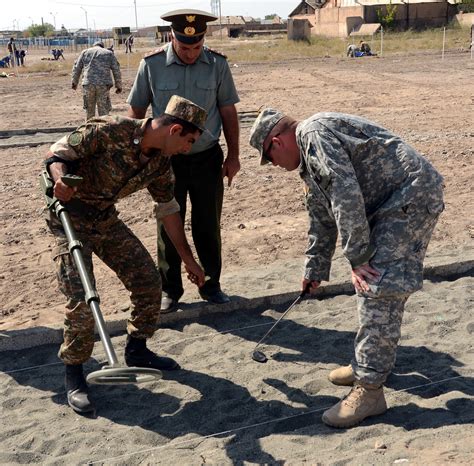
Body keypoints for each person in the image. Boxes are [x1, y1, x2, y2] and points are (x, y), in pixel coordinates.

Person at [249, 108, 444, 428]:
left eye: (269, 158)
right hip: (391, 202)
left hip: (408, 195)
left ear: (277, 141)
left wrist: (358, 256)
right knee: (377, 283)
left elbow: (344, 192)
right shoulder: (310, 154)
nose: (274, 166)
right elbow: (322, 216)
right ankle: (368, 363)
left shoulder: (313, 135)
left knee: (376, 284)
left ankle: (369, 390)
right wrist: (315, 268)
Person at [44, 95, 207, 414]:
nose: (188, 149)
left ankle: (137, 349)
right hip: (69, 217)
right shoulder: (110, 129)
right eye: (188, 141)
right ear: (174, 130)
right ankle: (75, 373)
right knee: (81, 298)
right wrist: (60, 180)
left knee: (147, 280)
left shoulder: (161, 163)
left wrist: (189, 260)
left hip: (103, 217)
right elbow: (55, 155)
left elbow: (168, 211)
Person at [127, 9, 240, 312]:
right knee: (167, 224)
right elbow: (136, 112)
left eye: (196, 47)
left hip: (206, 158)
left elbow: (228, 111)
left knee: (208, 223)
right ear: (172, 38)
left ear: (203, 40)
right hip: (165, 162)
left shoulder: (217, 64)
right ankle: (170, 290)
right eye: (184, 47)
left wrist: (234, 155)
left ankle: (211, 285)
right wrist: (138, 155)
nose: (191, 54)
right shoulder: (151, 65)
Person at [72, 41, 122, 121]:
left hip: (88, 84)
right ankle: (104, 131)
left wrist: (74, 82)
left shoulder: (85, 52)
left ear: (93, 45)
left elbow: (77, 67)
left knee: (89, 111)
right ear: (102, 46)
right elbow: (116, 69)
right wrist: (118, 85)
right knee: (103, 111)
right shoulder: (108, 53)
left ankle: (89, 131)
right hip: (103, 85)